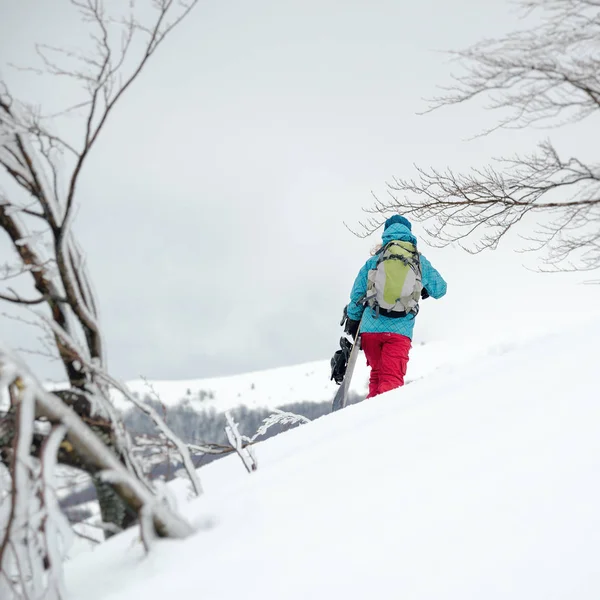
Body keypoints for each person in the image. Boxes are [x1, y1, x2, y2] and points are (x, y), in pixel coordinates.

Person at [343, 215, 447, 398]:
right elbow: (441, 289)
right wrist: (424, 288)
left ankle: (367, 420)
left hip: (371, 330)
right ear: (409, 233)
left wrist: (353, 321)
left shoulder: (375, 260)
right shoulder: (418, 260)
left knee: (376, 375)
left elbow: (356, 295)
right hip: (399, 331)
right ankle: (384, 422)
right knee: (391, 381)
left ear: (385, 234)